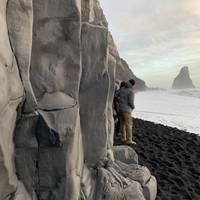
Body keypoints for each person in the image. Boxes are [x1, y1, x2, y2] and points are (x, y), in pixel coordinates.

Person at [118, 79, 136, 145]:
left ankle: (123, 138)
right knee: (129, 125)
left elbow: (116, 95)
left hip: (120, 109)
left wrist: (120, 102)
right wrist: (133, 107)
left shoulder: (122, 89)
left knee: (122, 124)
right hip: (127, 110)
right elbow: (131, 102)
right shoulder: (131, 91)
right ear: (132, 84)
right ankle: (129, 140)